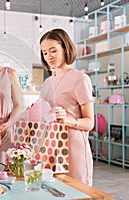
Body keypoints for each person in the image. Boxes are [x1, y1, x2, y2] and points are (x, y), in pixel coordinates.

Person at [39, 28, 94, 185]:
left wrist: (68, 119)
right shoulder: (48, 82)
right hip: (51, 147)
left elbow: (90, 123)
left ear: (65, 48)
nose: (49, 56)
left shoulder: (80, 79)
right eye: (44, 53)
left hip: (74, 149)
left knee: (77, 192)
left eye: (53, 51)